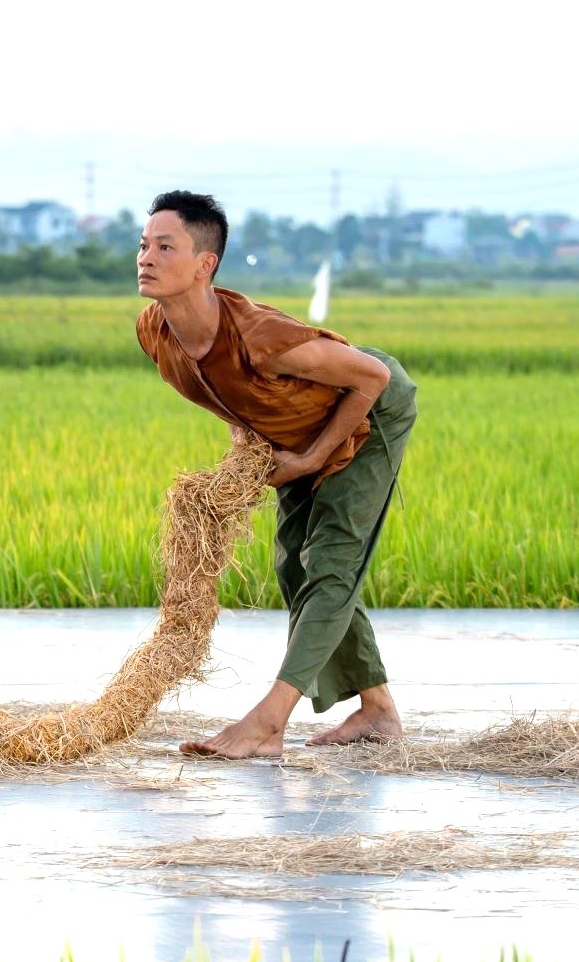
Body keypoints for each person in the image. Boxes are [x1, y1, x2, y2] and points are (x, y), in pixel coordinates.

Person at [133, 190, 417, 759]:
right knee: (293, 565)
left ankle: (269, 721)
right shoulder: (156, 331)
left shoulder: (260, 335)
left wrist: (312, 459)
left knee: (331, 562)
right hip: (294, 428)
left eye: (166, 247)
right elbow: (218, 390)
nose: (147, 258)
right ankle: (379, 710)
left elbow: (370, 379)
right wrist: (247, 438)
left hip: (365, 411)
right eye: (143, 245)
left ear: (205, 264)